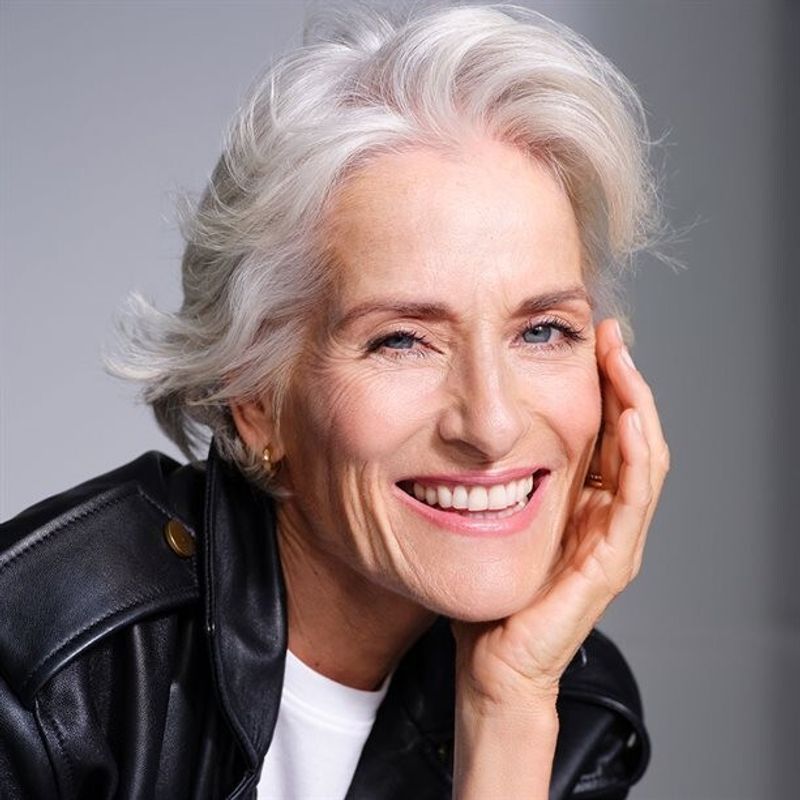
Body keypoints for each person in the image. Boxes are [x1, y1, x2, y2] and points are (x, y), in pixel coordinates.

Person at [0, 4, 670, 799]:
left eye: (543, 331)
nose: (491, 425)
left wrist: (508, 705)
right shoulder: (46, 670)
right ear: (257, 395)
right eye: (403, 340)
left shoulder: (571, 706)